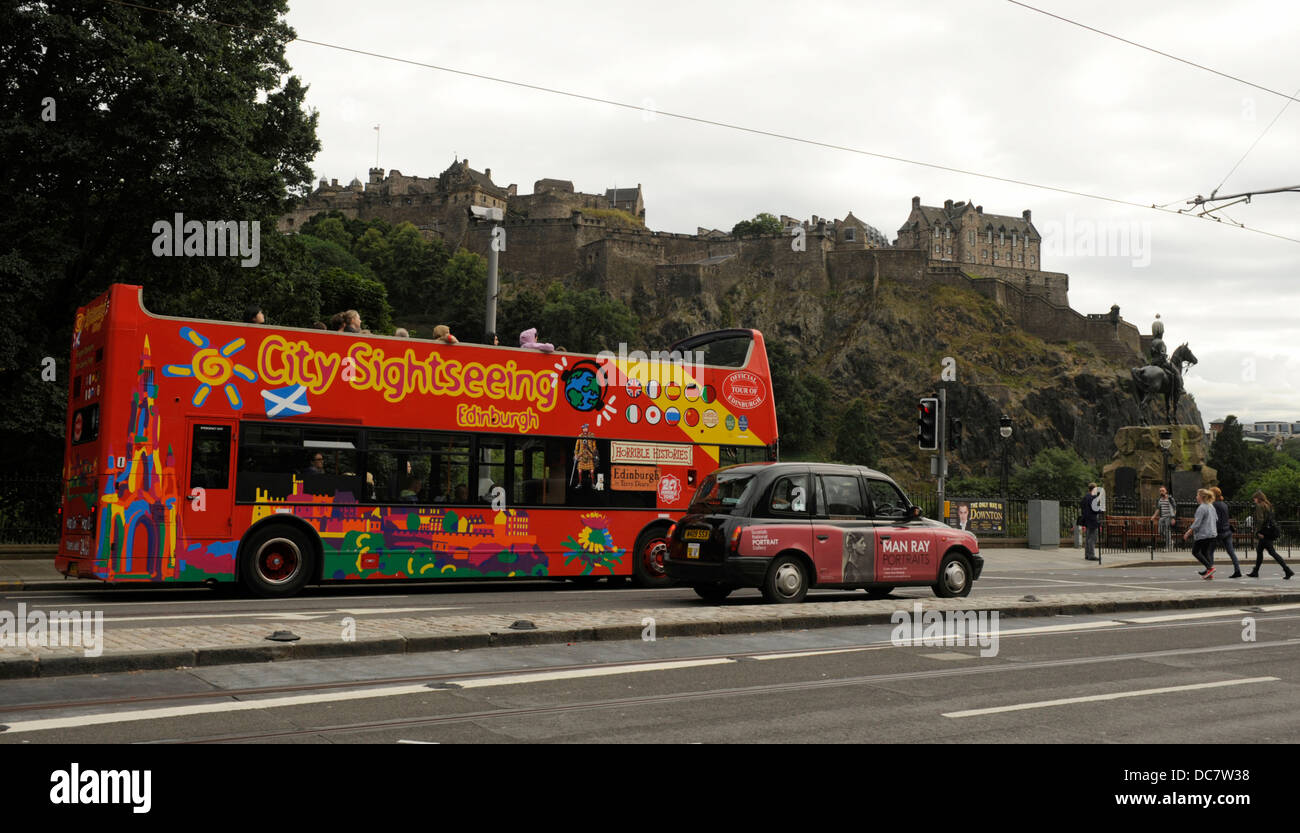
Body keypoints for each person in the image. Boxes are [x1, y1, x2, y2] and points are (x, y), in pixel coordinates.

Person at [1248, 491, 1293, 579]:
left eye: (1254, 498)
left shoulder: (1260, 506)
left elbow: (1260, 520)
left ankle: (1287, 570)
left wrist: (1257, 532)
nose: (1254, 500)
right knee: (1260, 551)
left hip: (1264, 533)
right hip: (1269, 531)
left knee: (1272, 552)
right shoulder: (1268, 505)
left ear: (1258, 498)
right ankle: (1255, 571)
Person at [1183, 488, 1218, 579]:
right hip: (1212, 533)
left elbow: (1197, 523)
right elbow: (1216, 519)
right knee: (1204, 552)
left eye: (1197, 495)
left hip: (1203, 534)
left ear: (1201, 497)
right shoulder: (1211, 506)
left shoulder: (1202, 507)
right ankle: (1209, 572)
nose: (1196, 497)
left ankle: (1210, 568)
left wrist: (1188, 532)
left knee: (1195, 551)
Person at [1210, 486, 1242, 577]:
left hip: (1219, 532)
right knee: (1231, 552)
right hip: (1227, 530)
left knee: (1210, 551)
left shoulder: (1214, 505)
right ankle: (1237, 570)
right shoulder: (1224, 504)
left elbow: (1215, 520)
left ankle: (1209, 569)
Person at [1151, 486, 1176, 550]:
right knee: (1160, 531)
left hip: (1168, 517)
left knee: (1167, 531)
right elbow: (1158, 509)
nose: (1161, 492)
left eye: (1163, 491)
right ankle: (1170, 541)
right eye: (1160, 491)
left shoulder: (1170, 499)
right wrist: (1154, 516)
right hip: (1162, 517)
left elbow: (1174, 509)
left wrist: (1173, 518)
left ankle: (1168, 547)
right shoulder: (1160, 500)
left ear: (1166, 491)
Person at [1080, 483, 1101, 561]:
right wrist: (1100, 510)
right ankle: (1091, 555)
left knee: (1088, 537)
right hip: (1093, 519)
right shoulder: (1093, 496)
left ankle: (1087, 555)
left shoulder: (1085, 496)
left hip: (1087, 519)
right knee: (1093, 538)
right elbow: (1094, 509)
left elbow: (1082, 506)